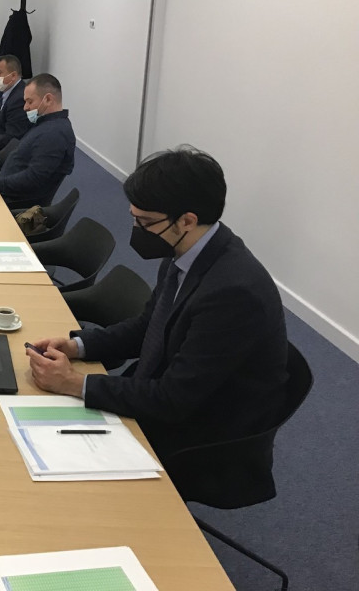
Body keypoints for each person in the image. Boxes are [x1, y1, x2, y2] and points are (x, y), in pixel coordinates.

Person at [26, 146, 289, 466]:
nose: (137, 230)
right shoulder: (186, 253)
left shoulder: (233, 294)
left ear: (187, 221)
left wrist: (73, 383)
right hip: (162, 392)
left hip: (198, 436)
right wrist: (77, 346)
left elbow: (173, 400)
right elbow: (148, 326)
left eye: (145, 222)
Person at [0, 73, 74, 208]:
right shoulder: (45, 125)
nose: (25, 107)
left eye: (30, 101)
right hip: (4, 191)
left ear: (48, 99)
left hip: (12, 203)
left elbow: (33, 179)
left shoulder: (54, 134)